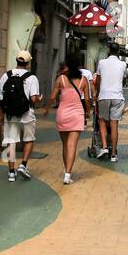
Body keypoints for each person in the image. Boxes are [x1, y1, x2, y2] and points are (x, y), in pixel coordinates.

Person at [0, 51, 42, 183]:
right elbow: (33, 98)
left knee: (11, 142)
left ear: (16, 61)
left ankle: (11, 172)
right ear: (28, 63)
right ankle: (23, 165)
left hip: (10, 114)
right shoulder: (32, 78)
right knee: (29, 139)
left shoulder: (6, 75)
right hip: (27, 114)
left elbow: (0, 96)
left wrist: (1, 114)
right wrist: (39, 98)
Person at [47, 52, 91, 185]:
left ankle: (66, 170)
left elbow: (52, 97)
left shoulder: (61, 79)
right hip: (77, 114)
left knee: (65, 145)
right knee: (72, 145)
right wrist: (88, 111)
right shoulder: (83, 80)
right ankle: (67, 174)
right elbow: (87, 99)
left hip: (63, 114)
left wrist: (47, 109)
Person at [94, 44, 127, 162]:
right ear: (118, 51)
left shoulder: (102, 63)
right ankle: (114, 154)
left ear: (109, 51)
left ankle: (104, 147)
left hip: (104, 95)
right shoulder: (123, 64)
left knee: (102, 120)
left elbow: (97, 80)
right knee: (114, 126)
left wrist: (97, 93)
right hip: (118, 96)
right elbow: (122, 80)